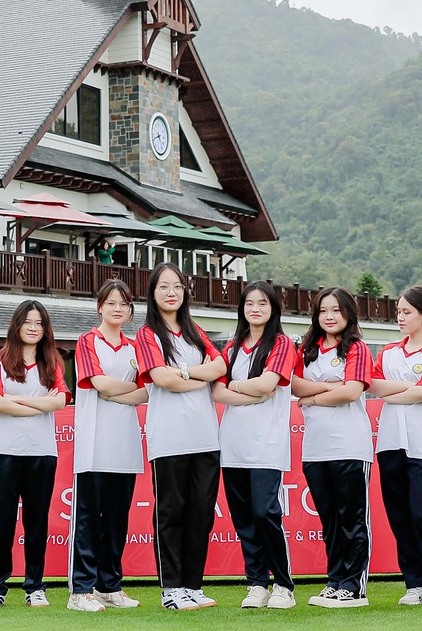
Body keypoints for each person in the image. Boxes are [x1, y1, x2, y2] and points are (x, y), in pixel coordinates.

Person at [135, 262, 227, 611]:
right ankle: (171, 589)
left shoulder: (195, 332)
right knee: (171, 512)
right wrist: (193, 376)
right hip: (170, 438)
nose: (171, 293)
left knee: (202, 514)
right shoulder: (147, 335)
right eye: (163, 287)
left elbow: (220, 367)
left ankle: (193, 585)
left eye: (176, 286)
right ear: (153, 294)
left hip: (205, 436)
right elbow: (161, 379)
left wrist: (185, 370)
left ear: (185, 291)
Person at [213, 281, 300, 609]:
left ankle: (283, 585)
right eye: (249, 303)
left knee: (266, 513)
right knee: (244, 518)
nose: (255, 309)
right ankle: (257, 583)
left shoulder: (280, 344)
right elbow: (217, 392)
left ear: (273, 308)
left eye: (262, 303)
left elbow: (267, 385)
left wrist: (239, 388)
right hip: (233, 443)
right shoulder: (232, 347)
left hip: (267, 443)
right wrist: (249, 390)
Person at [367, 284, 422, 606]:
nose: (400, 318)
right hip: (390, 441)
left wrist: (408, 392)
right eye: (398, 312)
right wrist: (414, 388)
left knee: (421, 514)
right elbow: (373, 385)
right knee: (399, 516)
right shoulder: (388, 352)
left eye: (406, 312)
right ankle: (414, 583)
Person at [0, 299, 68, 609]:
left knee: (36, 523)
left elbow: (59, 402)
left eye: (39, 324)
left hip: (41, 452)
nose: (33, 328)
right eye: (28, 322)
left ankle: (35, 586)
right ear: (16, 325)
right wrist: (37, 403)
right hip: (3, 452)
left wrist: (16, 403)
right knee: (1, 524)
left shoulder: (53, 362)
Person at [291, 287, 374, 608]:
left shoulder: (357, 348)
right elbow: (294, 383)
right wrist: (329, 387)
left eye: (336, 310)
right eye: (324, 311)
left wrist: (312, 398)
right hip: (316, 448)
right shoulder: (308, 349)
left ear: (348, 314)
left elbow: (352, 392)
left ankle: (353, 586)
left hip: (349, 446)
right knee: (330, 521)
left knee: (352, 518)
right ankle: (335, 580)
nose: (329, 316)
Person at [69, 278, 146, 613]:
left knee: (117, 518)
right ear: (100, 306)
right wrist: (121, 391)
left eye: (124, 304)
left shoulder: (135, 348)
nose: (118, 309)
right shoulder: (88, 341)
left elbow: (147, 391)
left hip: (125, 443)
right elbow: (97, 383)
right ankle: (80, 589)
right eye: (112, 303)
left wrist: (116, 392)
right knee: (89, 517)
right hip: (94, 444)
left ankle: (109, 586)